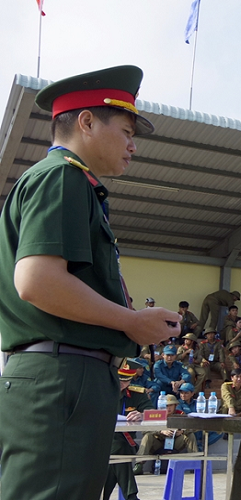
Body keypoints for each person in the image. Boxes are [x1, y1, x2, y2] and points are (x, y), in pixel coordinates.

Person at [0, 65, 181, 500]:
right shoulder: (62, 177)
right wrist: (130, 322)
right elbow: (38, 281)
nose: (133, 145)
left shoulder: (68, 182)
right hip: (63, 375)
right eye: (125, 130)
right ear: (86, 122)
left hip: (66, 373)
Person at [103, 361, 154, 500]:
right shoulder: (100, 390)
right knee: (118, 454)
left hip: (125, 441)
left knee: (119, 449)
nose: (122, 383)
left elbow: (156, 414)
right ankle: (131, 496)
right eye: (119, 378)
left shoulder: (137, 394)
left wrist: (142, 415)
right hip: (99, 441)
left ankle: (103, 495)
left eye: (126, 380)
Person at [135, 394, 197, 473]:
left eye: (171, 405)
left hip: (175, 442)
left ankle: (195, 464)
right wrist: (161, 431)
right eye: (166, 405)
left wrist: (182, 431)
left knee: (190, 436)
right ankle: (139, 465)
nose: (168, 408)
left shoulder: (180, 414)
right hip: (158, 442)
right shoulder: (155, 414)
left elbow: (192, 428)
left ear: (176, 405)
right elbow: (145, 430)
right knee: (147, 436)